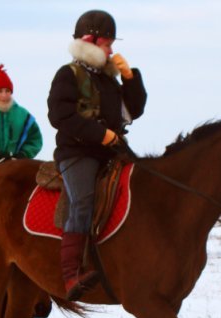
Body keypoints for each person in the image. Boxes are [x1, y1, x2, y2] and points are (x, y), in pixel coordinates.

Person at [47, 9, 147, 301]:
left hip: (112, 150)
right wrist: (98, 134)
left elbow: (136, 109)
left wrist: (129, 78)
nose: (111, 49)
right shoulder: (68, 74)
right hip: (78, 152)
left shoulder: (108, 78)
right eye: (107, 43)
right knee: (83, 200)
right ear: (90, 42)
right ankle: (71, 274)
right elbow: (60, 115)